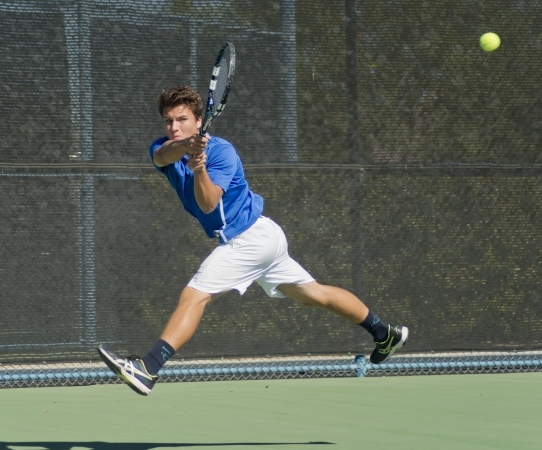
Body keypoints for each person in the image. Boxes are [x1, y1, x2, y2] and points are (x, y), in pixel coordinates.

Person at [98, 85, 408, 396]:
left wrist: (200, 167)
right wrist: (187, 149)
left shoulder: (222, 153)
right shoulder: (164, 147)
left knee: (194, 296)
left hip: (250, 238)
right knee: (315, 293)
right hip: (261, 238)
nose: (174, 127)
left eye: (182, 119)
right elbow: (161, 155)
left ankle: (148, 367)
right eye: (168, 121)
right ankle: (384, 333)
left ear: (199, 119)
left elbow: (208, 203)